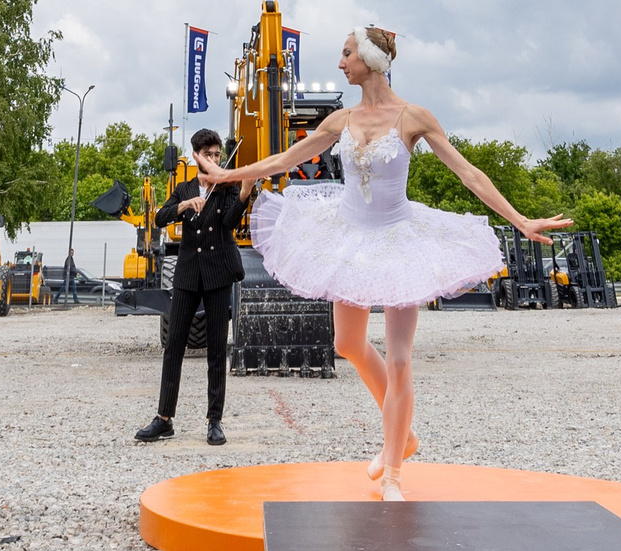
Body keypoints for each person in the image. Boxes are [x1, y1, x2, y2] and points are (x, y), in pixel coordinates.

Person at [197, 25, 570, 500]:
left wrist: (519, 220)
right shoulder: (340, 121)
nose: (340, 63)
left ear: (370, 60)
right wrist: (229, 174)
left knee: (398, 360)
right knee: (347, 343)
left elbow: (469, 174)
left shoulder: (414, 118)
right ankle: (405, 433)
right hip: (347, 237)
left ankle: (393, 469)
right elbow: (283, 160)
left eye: (346, 53)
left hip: (399, 241)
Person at [133, 130, 251, 448]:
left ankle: (214, 421)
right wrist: (184, 205)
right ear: (197, 155)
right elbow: (159, 219)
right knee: (174, 348)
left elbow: (228, 222)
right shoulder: (184, 187)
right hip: (186, 276)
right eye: (209, 154)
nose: (215, 159)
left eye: (217, 155)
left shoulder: (226, 185)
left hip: (216, 276)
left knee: (215, 350)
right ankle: (164, 419)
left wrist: (245, 192)